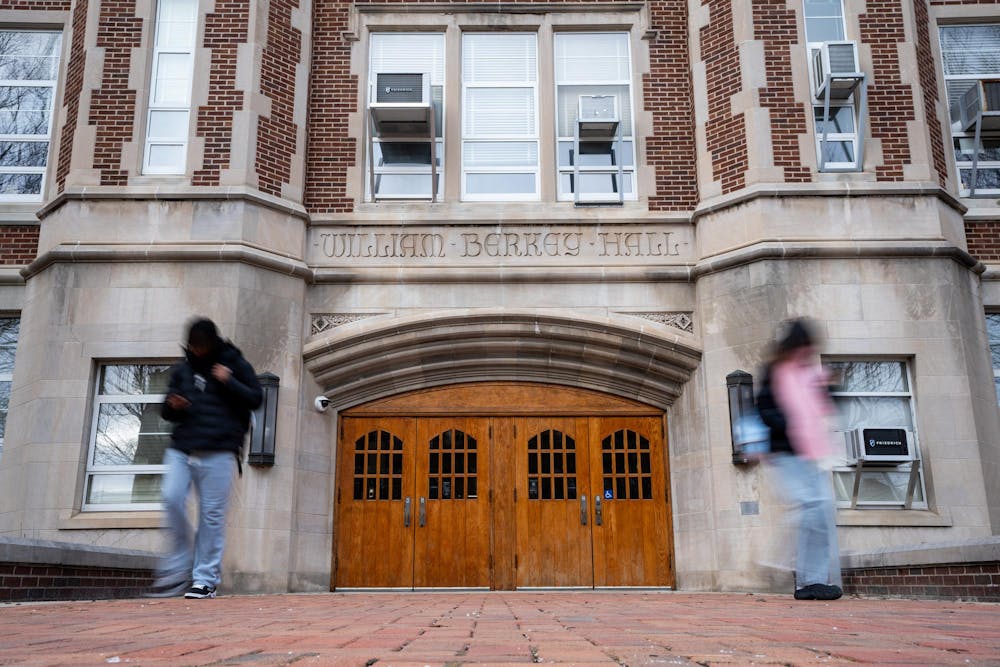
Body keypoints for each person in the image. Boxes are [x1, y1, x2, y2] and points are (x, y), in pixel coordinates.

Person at [146, 318, 262, 599]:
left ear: (211, 344)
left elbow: (256, 398)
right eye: (193, 347)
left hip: (219, 451)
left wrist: (229, 381)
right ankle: (181, 562)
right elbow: (166, 412)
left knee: (212, 517)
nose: (197, 352)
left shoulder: (234, 363)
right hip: (183, 448)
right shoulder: (183, 370)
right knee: (171, 498)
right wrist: (173, 406)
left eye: (201, 347)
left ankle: (205, 579)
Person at [756, 318, 842, 601]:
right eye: (802, 346)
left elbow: (825, 408)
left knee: (822, 507)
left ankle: (811, 579)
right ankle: (797, 571)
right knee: (812, 507)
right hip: (785, 453)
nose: (806, 352)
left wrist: (830, 387)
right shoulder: (775, 372)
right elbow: (765, 410)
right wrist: (789, 424)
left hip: (809, 452)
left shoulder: (809, 373)